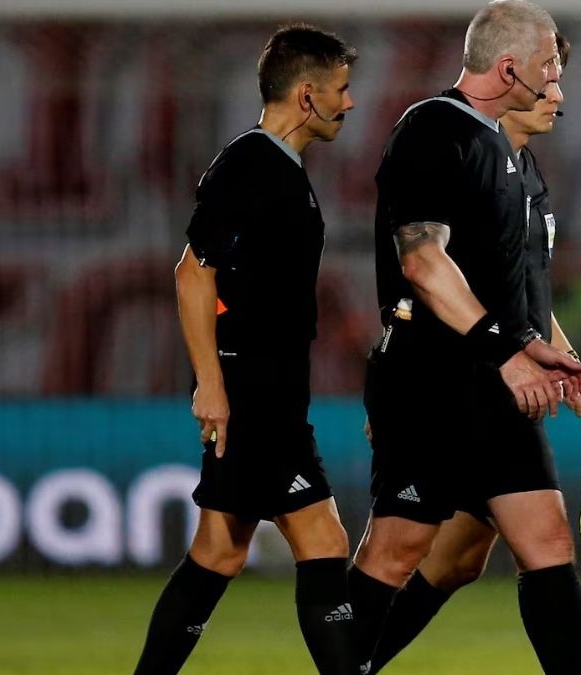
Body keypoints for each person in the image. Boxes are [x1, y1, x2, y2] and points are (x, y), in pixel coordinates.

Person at [350, 3, 581, 674]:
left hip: (497, 382)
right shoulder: (434, 130)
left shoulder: (516, 164)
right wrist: (508, 352)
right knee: (398, 548)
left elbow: (518, 293)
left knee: (539, 538)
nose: (558, 83)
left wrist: (568, 363)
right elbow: (422, 262)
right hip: (432, 378)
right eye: (550, 65)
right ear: (510, 68)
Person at [133, 25, 359, 675]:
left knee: (220, 550)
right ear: (307, 95)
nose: (351, 103)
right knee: (319, 538)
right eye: (342, 89)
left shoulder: (280, 169)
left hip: (272, 389)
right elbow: (192, 271)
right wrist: (210, 383)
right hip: (253, 391)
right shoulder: (250, 164)